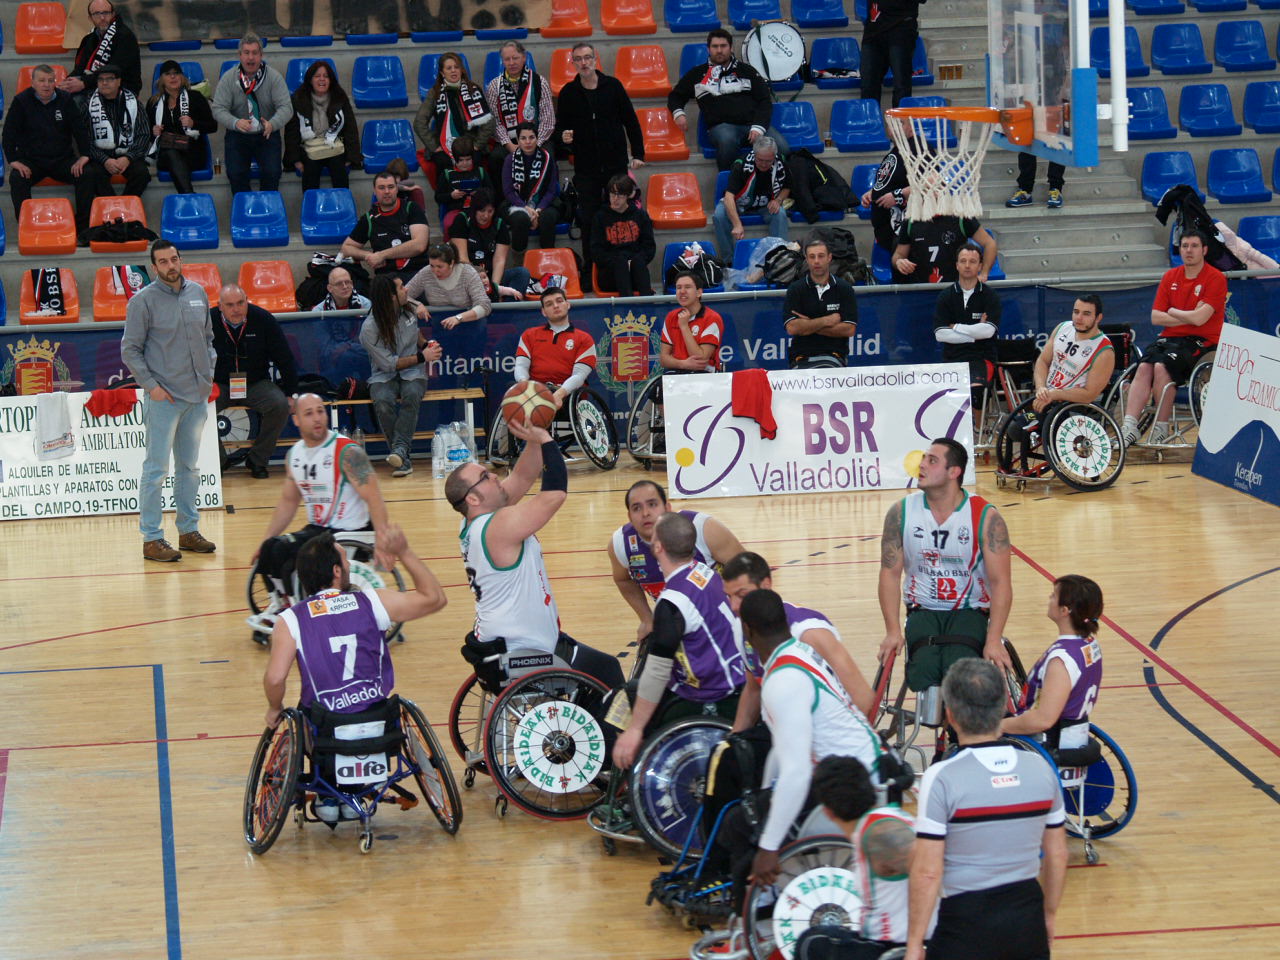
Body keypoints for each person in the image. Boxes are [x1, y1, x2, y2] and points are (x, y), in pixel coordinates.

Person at [261, 525, 448, 823]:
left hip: (325, 730)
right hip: (379, 722)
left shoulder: (290, 620)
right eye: (345, 561)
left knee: (304, 712)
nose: (349, 564)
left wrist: (274, 708)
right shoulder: (373, 601)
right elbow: (435, 598)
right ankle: (360, 787)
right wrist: (404, 552)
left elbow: (274, 679)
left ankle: (328, 790)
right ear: (336, 571)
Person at [905, 659, 1068, 960]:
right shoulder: (1041, 769)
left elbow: (928, 872)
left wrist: (915, 943)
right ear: (1002, 710)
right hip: (1026, 917)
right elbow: (1057, 855)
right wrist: (1048, 915)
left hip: (965, 923)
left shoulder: (941, 777)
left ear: (950, 715)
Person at [445, 423, 625, 689]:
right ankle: (618, 732)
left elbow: (522, 477)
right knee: (608, 672)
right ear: (472, 498)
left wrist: (534, 435)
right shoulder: (499, 525)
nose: (494, 476)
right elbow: (554, 495)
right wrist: (547, 440)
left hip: (500, 643)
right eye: (485, 477)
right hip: (525, 650)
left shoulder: (472, 523)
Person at [726, 589, 881, 898]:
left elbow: (796, 772)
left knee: (738, 825)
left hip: (851, 786)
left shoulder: (783, 680)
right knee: (757, 806)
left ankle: (751, 916)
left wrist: (768, 847)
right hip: (857, 769)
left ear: (748, 630)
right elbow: (785, 752)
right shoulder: (797, 652)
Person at [250, 392, 395, 630]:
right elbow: (288, 502)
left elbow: (375, 497)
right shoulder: (294, 454)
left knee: (289, 558)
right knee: (270, 548)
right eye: (309, 413)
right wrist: (265, 538)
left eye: (320, 411)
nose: (317, 418)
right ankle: (283, 604)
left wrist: (382, 540)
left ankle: (297, 612)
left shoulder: (348, 452)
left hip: (349, 530)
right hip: (318, 529)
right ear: (295, 419)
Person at [612, 512, 746, 769]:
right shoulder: (705, 572)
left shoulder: (672, 602)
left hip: (712, 696)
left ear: (658, 547)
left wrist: (635, 730)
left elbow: (657, 672)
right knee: (632, 692)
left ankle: (634, 781)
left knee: (620, 704)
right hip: (734, 677)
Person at [878, 437, 1013, 691]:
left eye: (932, 460)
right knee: (923, 676)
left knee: (961, 675)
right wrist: (892, 630)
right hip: (923, 609)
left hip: (969, 611)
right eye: (923, 459)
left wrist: (994, 639)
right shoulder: (900, 512)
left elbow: (1001, 583)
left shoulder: (986, 516)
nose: (922, 465)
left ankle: (961, 727)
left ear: (954, 472)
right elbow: (889, 574)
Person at [121, 240, 217, 563]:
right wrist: (152, 387)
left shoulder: (198, 293)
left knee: (189, 468)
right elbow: (129, 350)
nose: (170, 265)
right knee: (156, 469)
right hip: (164, 398)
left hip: (196, 396)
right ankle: (151, 538)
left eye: (173, 259)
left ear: (180, 259)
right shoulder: (142, 302)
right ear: (154, 267)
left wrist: (207, 376)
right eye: (162, 262)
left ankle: (188, 530)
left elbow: (208, 340)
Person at [720, 551, 875, 725]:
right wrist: (735, 738)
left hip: (826, 733)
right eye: (728, 596)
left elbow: (863, 697)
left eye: (741, 595)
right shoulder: (740, 627)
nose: (733, 606)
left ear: (766, 585)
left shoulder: (809, 632)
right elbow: (754, 689)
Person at [795, 755, 919, 958]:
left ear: (826, 811)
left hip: (897, 947)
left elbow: (930, 872)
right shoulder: (885, 819)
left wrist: (915, 946)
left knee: (811, 943)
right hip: (891, 940)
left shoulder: (881, 834)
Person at [1121, 230, 1226, 446]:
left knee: (1161, 367)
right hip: (1170, 339)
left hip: (1203, 341)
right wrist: (1188, 315)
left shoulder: (1215, 278)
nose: (1189, 250)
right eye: (1185, 245)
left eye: (1194, 246)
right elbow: (1156, 317)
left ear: (1204, 250)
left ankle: (1161, 427)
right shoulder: (1170, 276)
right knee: (1143, 367)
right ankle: (1129, 427)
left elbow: (1200, 320)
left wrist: (1175, 312)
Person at [555, 42, 646, 292]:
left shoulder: (613, 86)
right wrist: (563, 139)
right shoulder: (568, 93)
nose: (583, 63)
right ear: (573, 63)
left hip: (616, 165)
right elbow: (560, 131)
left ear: (595, 60)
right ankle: (591, 270)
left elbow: (630, 120)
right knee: (589, 220)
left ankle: (627, 265)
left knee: (621, 215)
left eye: (587, 58)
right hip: (586, 168)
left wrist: (637, 153)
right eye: (578, 59)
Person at [609, 480, 744, 640]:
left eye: (652, 504)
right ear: (629, 516)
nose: (645, 513)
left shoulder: (703, 528)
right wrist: (646, 618)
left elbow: (747, 569)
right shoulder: (620, 543)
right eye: (637, 508)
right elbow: (623, 580)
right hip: (677, 622)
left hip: (723, 619)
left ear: (667, 507)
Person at [1003, 575, 1104, 747]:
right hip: (1071, 735)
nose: (1049, 599)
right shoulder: (1090, 644)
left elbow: (1043, 719)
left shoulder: (1061, 660)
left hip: (1044, 742)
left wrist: (996, 727)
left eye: (1053, 596)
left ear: (1065, 610)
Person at [668, 29, 788, 173]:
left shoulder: (748, 71)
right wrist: (678, 113)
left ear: (731, 48)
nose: (719, 50)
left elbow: (764, 101)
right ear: (708, 49)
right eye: (715, 46)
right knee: (727, 140)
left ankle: (778, 187)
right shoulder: (696, 74)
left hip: (754, 125)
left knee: (782, 147)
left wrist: (758, 127)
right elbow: (675, 96)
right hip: (722, 128)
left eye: (723, 46)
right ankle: (729, 188)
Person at [212, 283, 298, 479]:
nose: (236, 309)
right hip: (221, 385)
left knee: (279, 404)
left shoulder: (263, 319)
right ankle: (220, 461)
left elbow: (284, 358)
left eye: (241, 303)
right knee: (199, 409)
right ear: (220, 306)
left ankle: (258, 460)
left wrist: (291, 394)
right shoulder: (207, 321)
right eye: (230, 305)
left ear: (247, 301)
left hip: (255, 383)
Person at [359, 275, 441, 478]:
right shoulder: (369, 328)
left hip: (413, 374)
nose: (406, 290)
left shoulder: (408, 308)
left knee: (412, 393)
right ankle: (402, 454)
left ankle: (399, 453)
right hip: (383, 375)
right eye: (402, 287)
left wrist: (425, 344)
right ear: (390, 297)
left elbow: (415, 333)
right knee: (383, 401)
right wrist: (423, 356)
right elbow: (388, 364)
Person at [2, 65, 95, 237]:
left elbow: (80, 130)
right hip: (32, 161)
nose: (46, 85)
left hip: (62, 160)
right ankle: (27, 228)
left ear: (55, 82)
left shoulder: (66, 99)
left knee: (87, 174)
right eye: (42, 80)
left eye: (50, 81)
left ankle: (83, 229)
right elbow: (8, 133)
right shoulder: (21, 101)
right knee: (17, 178)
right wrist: (14, 161)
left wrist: (84, 155)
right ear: (33, 83)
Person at [211, 33, 293, 195]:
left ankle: (268, 212)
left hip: (267, 133)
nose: (251, 57)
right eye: (246, 53)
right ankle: (244, 214)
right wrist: (235, 122)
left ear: (261, 56)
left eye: (255, 53)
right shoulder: (228, 78)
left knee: (272, 172)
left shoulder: (274, 77)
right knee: (235, 173)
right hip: (238, 134)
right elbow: (218, 108)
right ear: (239, 55)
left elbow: (286, 107)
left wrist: (273, 124)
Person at [933, 242, 1002, 406]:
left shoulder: (990, 296)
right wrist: (973, 334)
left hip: (981, 358)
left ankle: (978, 429)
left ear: (980, 266)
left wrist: (955, 327)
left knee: (975, 391)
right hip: (952, 358)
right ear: (957, 265)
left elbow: (987, 332)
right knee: (944, 398)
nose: (967, 265)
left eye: (972, 261)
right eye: (963, 261)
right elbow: (940, 334)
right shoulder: (945, 296)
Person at [282, 59, 361, 191]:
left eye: (326, 76)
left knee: (339, 167)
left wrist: (350, 157)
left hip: (334, 144)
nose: (322, 80)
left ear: (331, 80)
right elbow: (292, 132)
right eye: (317, 76)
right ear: (310, 80)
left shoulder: (340, 97)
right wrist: (296, 160)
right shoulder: (298, 99)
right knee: (310, 168)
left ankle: (343, 205)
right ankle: (311, 208)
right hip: (308, 146)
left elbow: (350, 128)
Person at [513, 287, 597, 410]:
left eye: (559, 301)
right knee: (512, 392)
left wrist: (559, 394)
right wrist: (525, 386)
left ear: (567, 304)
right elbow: (521, 366)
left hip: (568, 395)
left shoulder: (584, 339)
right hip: (534, 393)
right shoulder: (529, 335)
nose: (556, 306)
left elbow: (579, 375)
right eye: (549, 304)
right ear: (544, 312)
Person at [341, 171, 432, 282]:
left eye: (391, 187)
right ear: (374, 191)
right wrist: (368, 255)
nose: (387, 191)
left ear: (397, 189)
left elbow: (419, 245)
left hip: (417, 273)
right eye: (381, 188)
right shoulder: (369, 218)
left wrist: (382, 255)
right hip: (386, 278)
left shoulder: (411, 208)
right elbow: (346, 248)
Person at [784, 235, 859, 368]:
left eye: (821, 256)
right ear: (806, 259)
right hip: (801, 357)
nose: (816, 261)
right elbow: (792, 328)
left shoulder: (844, 289)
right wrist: (826, 321)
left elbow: (849, 329)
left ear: (829, 258)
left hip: (834, 356)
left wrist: (808, 324)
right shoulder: (795, 289)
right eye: (812, 257)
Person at [1031, 294, 1115, 414]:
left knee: (1022, 430)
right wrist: (1041, 389)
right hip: (1048, 399)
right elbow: (1042, 361)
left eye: (1086, 314)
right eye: (1076, 312)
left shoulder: (1104, 351)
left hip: (1073, 408)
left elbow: (1089, 395)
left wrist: (1055, 394)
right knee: (1015, 428)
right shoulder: (1062, 327)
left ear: (1098, 318)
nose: (1079, 318)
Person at [82, 63, 151, 202]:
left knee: (142, 174)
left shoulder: (134, 103)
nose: (105, 83)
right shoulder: (88, 104)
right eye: (101, 79)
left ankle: (124, 206)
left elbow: (143, 135)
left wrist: (128, 158)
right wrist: (105, 160)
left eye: (110, 79)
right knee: (93, 174)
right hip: (100, 156)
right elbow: (84, 138)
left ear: (119, 81)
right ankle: (112, 208)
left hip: (128, 153)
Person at [415, 52, 495, 171]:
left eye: (456, 67)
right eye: (449, 68)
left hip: (470, 143)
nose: (453, 70)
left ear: (461, 70)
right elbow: (419, 122)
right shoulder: (435, 93)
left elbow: (489, 122)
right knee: (443, 161)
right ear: (442, 73)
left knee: (477, 159)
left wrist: (477, 145)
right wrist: (435, 146)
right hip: (444, 144)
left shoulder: (474, 90)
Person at [447, 187, 531, 301]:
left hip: (491, 277)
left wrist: (494, 289)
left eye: (490, 211)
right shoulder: (462, 220)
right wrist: (480, 283)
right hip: (468, 276)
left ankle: (507, 312)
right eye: (482, 211)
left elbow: (499, 260)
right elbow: (463, 260)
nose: (486, 216)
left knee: (522, 273)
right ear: (474, 209)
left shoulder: (499, 224)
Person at [146, 60, 217, 195]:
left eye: (176, 73)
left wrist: (193, 124)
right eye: (168, 74)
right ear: (161, 79)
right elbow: (146, 133)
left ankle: (187, 196)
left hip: (193, 151)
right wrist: (153, 131)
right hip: (166, 154)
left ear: (182, 77)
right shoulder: (153, 102)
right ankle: (189, 196)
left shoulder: (195, 97)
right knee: (171, 153)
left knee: (174, 155)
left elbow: (213, 126)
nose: (173, 77)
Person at [713, 138, 790, 260]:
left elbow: (787, 187)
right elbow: (729, 196)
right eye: (760, 160)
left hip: (765, 204)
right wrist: (737, 224)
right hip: (739, 202)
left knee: (780, 213)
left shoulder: (780, 163)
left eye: (768, 161)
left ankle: (780, 258)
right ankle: (729, 260)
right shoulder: (741, 164)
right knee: (719, 215)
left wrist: (778, 200)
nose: (764, 164)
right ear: (754, 155)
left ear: (774, 156)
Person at [485, 40, 555, 160]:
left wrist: (533, 144)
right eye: (507, 59)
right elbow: (495, 122)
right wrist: (510, 145)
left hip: (536, 138)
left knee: (548, 155)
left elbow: (548, 120)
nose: (511, 63)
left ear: (524, 57)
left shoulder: (539, 82)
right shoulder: (494, 86)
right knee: (496, 157)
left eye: (515, 58)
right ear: (503, 61)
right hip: (509, 141)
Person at [590, 173, 656, 298]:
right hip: (611, 274)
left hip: (635, 271)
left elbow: (649, 247)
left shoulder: (640, 216)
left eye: (619, 195)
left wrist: (632, 261)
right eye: (612, 194)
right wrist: (619, 261)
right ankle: (628, 307)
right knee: (620, 262)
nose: (615, 198)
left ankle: (647, 306)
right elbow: (596, 251)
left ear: (628, 195)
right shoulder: (600, 217)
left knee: (638, 262)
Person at [501, 122, 561, 254]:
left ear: (537, 138)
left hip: (543, 204)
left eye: (531, 137)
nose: (528, 142)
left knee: (547, 218)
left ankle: (548, 258)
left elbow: (551, 191)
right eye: (523, 138)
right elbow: (508, 191)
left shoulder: (547, 158)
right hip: (516, 203)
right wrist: (526, 208)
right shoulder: (509, 160)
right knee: (521, 219)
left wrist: (538, 211)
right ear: (517, 140)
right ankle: (519, 260)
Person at [404, 243, 493, 330]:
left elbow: (485, 305)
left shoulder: (468, 273)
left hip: (471, 328)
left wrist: (458, 318)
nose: (435, 271)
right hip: (440, 328)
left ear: (451, 263)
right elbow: (402, 295)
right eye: (432, 266)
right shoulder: (426, 273)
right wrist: (416, 305)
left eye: (440, 266)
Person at [62, 0, 142, 97]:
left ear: (113, 14)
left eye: (106, 13)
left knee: (77, 103)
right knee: (62, 97)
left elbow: (115, 71)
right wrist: (67, 83)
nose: (102, 18)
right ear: (90, 18)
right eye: (96, 14)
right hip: (93, 86)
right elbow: (80, 68)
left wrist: (84, 83)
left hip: (121, 90)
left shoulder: (125, 37)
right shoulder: (89, 39)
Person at [893, 215, 997, 285]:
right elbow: (899, 254)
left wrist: (984, 273)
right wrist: (899, 262)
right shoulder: (911, 220)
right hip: (921, 291)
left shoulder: (961, 217)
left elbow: (990, 244)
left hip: (955, 290)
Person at [860, 0, 922, 109]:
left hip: (901, 29)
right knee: (868, 84)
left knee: (901, 85)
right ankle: (870, 123)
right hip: (873, 30)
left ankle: (899, 124)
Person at [661, 272, 724, 373]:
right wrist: (683, 364)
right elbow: (663, 359)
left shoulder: (712, 318)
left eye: (687, 287)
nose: (682, 291)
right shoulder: (671, 317)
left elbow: (700, 359)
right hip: (676, 373)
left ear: (699, 293)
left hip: (704, 376)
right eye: (678, 287)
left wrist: (684, 327)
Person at [862, 135, 911, 256]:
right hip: (888, 232)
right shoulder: (895, 152)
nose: (894, 128)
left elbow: (930, 184)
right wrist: (873, 192)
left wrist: (898, 195)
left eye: (901, 122)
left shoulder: (918, 149)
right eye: (890, 124)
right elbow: (891, 182)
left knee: (903, 267)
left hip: (907, 230)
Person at [434, 135, 492, 235]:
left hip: (478, 210)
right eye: (461, 160)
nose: (465, 163)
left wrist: (479, 194)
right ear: (454, 158)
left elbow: (491, 192)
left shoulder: (480, 172)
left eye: (468, 159)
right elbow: (438, 197)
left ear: (473, 158)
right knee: (451, 224)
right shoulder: (447, 174)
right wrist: (451, 196)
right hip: (456, 210)